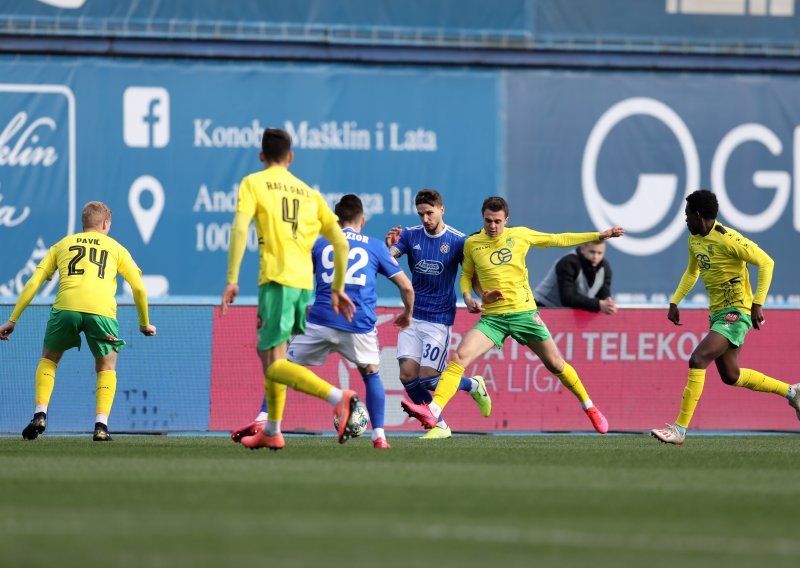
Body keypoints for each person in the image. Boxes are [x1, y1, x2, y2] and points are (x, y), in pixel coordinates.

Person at [401, 196, 624, 434]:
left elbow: (557, 239)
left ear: (506, 219)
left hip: (524, 315)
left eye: (498, 221)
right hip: (493, 319)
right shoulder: (473, 243)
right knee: (459, 358)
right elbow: (466, 275)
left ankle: (589, 407)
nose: (493, 226)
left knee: (556, 364)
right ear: (483, 219)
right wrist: (469, 297)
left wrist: (599, 236)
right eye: (488, 221)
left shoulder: (520, 235)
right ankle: (433, 411)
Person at [231, 194, 414, 449]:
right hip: (358, 323)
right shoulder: (374, 246)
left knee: (281, 365)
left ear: (336, 219)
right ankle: (379, 436)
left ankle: (264, 419)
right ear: (363, 219)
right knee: (371, 374)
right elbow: (406, 287)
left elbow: (300, 279)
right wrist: (407, 312)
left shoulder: (319, 244)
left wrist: (294, 312)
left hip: (321, 319)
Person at [222, 127, 359, 451]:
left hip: (276, 281)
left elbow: (240, 228)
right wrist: (338, 287)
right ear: (291, 157)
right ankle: (272, 429)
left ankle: (340, 397)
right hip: (303, 286)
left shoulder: (253, 182)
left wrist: (232, 278)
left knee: (273, 362)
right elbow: (340, 242)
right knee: (270, 354)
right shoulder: (308, 193)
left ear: (261, 156)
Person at [651, 190, 800, 445]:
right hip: (718, 312)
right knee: (731, 375)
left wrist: (757, 304)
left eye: (687, 216)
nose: (685, 221)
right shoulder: (694, 241)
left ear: (698, 216)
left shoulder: (729, 239)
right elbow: (692, 272)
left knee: (697, 359)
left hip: (737, 311)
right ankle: (793, 392)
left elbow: (766, 263)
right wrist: (675, 301)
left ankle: (679, 430)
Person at [0, 201, 156, 441]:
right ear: (105, 224)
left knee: (49, 360)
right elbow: (138, 288)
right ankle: (101, 427)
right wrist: (144, 323)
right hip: (101, 312)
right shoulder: (116, 248)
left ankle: (40, 414)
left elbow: (33, 282)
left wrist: (13, 319)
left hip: (66, 308)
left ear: (83, 223)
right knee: (106, 367)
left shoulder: (62, 245)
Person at [385, 189, 492, 440]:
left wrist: (474, 297)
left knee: (430, 379)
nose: (425, 218)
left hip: (438, 319)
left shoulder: (457, 241)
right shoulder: (411, 235)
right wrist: (388, 250)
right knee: (407, 376)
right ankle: (440, 426)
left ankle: (473, 385)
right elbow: (390, 258)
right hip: (412, 316)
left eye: (429, 213)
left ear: (441, 209)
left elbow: (470, 276)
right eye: (421, 214)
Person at [534, 241, 617, 314]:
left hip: (565, 314)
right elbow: (567, 298)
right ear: (582, 249)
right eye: (592, 252)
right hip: (541, 308)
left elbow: (603, 295)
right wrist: (598, 304)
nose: (596, 257)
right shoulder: (567, 263)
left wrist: (608, 304)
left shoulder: (605, 267)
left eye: (600, 253)